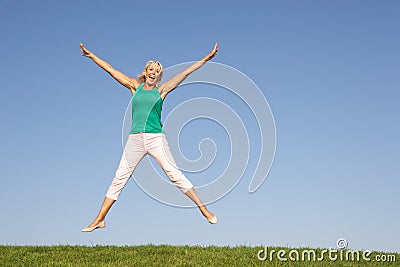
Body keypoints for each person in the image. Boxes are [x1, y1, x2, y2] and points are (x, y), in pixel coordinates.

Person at [80, 43, 219, 232]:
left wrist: (206, 58)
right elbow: (111, 70)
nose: (154, 72)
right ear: (145, 72)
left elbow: (186, 73)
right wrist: (92, 56)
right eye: (151, 69)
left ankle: (203, 209)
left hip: (156, 139)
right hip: (135, 140)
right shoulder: (134, 86)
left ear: (159, 76)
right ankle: (99, 219)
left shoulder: (161, 91)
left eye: (157, 71)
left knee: (174, 174)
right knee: (119, 178)